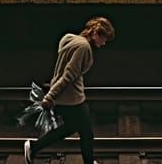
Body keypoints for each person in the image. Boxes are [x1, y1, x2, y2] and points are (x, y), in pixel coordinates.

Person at [24, 17, 116, 164]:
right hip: (72, 98)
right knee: (87, 133)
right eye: (104, 39)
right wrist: (49, 96)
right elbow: (69, 75)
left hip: (65, 96)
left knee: (71, 127)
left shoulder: (69, 38)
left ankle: (34, 147)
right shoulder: (84, 48)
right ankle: (88, 162)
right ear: (95, 34)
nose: (103, 43)